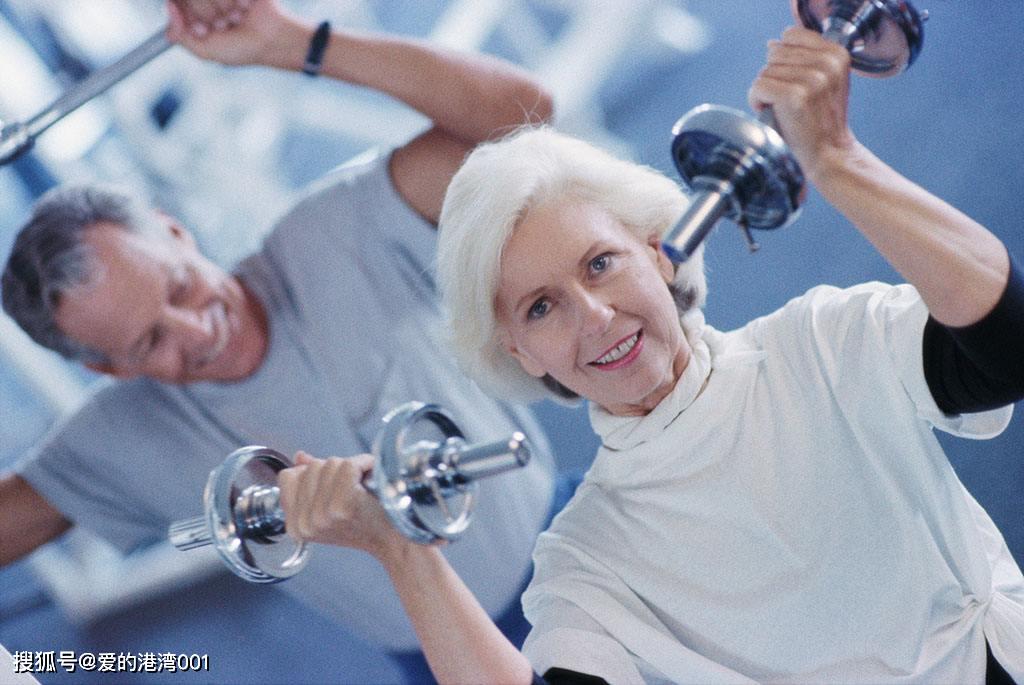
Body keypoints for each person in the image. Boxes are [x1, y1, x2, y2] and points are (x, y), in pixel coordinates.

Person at [276, 26, 1024, 684]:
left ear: (658, 249)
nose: (594, 316)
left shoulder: (821, 342)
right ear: (521, 351)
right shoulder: (586, 554)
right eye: (542, 306)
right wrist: (404, 554)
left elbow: (1006, 345)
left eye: (600, 262)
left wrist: (835, 160)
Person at [0, 0, 556, 676]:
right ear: (107, 367)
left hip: (574, 544)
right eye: (150, 343)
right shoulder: (123, 438)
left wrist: (292, 41)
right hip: (445, 657)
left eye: (180, 287)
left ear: (177, 232)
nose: (198, 330)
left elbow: (522, 119)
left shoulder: (333, 235)